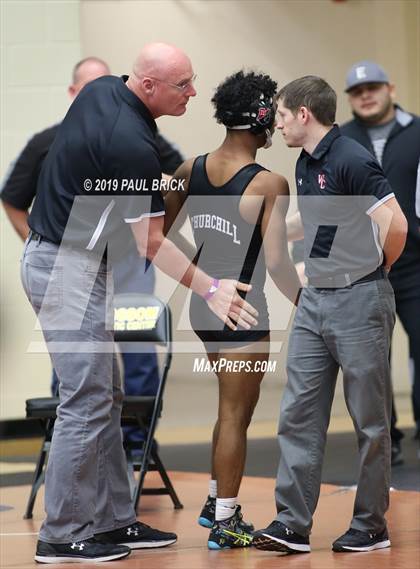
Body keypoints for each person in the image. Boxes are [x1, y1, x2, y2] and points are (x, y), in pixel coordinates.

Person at [21, 43, 258, 564]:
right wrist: (210, 288)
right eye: (184, 85)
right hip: (65, 268)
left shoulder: (104, 91)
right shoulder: (131, 144)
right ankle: (61, 535)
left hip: (73, 261)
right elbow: (151, 243)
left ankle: (112, 522)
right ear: (148, 86)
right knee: (84, 401)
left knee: (106, 393)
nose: (194, 93)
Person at [253, 76, 407, 554]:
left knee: (369, 420)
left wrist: (376, 268)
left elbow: (395, 224)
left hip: (360, 299)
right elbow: (320, 218)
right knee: (298, 413)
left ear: (304, 114)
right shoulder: (307, 162)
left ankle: (371, 525)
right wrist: (272, 230)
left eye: (280, 115)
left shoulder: (352, 158)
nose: (275, 124)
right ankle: (291, 524)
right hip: (315, 300)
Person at [0, 56, 184, 452]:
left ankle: (137, 445)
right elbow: (12, 200)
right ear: (73, 94)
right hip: (73, 264)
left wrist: (161, 211)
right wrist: (44, 242)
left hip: (127, 262)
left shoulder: (136, 134)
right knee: (79, 374)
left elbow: (180, 178)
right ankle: (71, 450)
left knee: (134, 358)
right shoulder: (47, 142)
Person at [163, 70, 301, 550]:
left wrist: (202, 273)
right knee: (236, 411)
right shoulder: (270, 183)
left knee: (229, 410)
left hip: (205, 307)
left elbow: (161, 235)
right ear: (261, 119)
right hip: (244, 309)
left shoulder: (187, 169)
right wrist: (305, 301)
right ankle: (225, 520)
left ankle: (214, 500)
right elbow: (279, 262)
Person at [340, 61, 420, 462]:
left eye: (372, 87)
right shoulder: (341, 140)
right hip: (363, 268)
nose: (365, 95)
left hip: (417, 263)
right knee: (371, 360)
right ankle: (385, 443)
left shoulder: (418, 131)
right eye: (356, 91)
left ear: (390, 87)